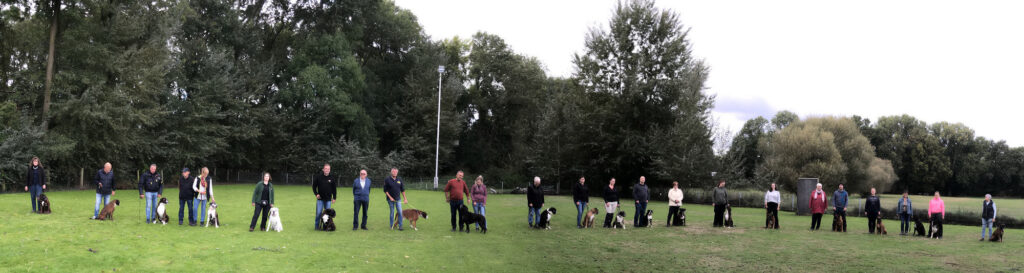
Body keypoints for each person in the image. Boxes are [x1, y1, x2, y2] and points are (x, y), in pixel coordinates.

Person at [312, 164, 337, 230]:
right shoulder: (318, 177)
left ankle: (326, 226)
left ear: (330, 170)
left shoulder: (332, 178)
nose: (327, 170)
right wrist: (316, 194)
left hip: (328, 199)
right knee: (319, 213)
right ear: (323, 169)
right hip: (320, 199)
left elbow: (334, 189)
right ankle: (316, 226)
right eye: (326, 168)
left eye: (328, 169)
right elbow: (314, 186)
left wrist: (334, 197)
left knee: (328, 215)